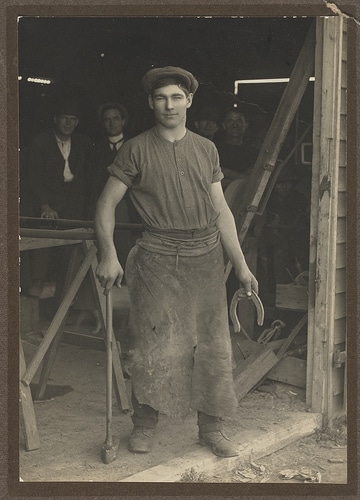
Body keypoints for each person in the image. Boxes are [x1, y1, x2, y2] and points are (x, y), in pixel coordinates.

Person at [94, 66, 258, 458]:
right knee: (155, 343)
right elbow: (105, 205)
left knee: (213, 347)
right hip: (157, 258)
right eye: (161, 98)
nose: (169, 105)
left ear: (189, 101)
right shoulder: (135, 148)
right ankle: (145, 425)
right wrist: (109, 254)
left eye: (176, 97)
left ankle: (212, 429)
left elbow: (222, 212)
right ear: (151, 103)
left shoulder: (206, 149)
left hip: (205, 259)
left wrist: (241, 266)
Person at [21, 98, 92, 298]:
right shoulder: (40, 141)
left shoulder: (84, 142)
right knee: (42, 245)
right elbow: (32, 178)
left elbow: (87, 178)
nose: (68, 123)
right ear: (55, 119)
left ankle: (66, 303)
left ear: (77, 122)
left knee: (72, 253)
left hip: (73, 204)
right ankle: (34, 290)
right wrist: (44, 206)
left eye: (72, 119)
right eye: (64, 119)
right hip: (47, 204)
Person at [215, 106, 259, 189]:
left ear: (246, 125)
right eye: (230, 121)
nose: (235, 125)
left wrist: (226, 172)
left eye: (239, 121)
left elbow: (253, 181)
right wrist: (241, 177)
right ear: (224, 125)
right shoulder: (214, 149)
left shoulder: (254, 153)